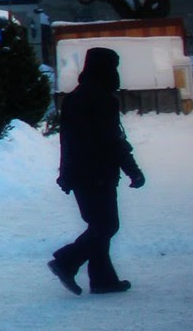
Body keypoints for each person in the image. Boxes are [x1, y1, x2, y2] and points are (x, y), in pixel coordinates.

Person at [47, 47, 145, 295]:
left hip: (80, 172)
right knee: (106, 225)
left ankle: (103, 279)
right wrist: (133, 170)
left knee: (98, 224)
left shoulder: (74, 98)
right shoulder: (103, 99)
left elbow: (67, 140)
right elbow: (112, 141)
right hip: (99, 172)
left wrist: (66, 173)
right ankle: (67, 261)